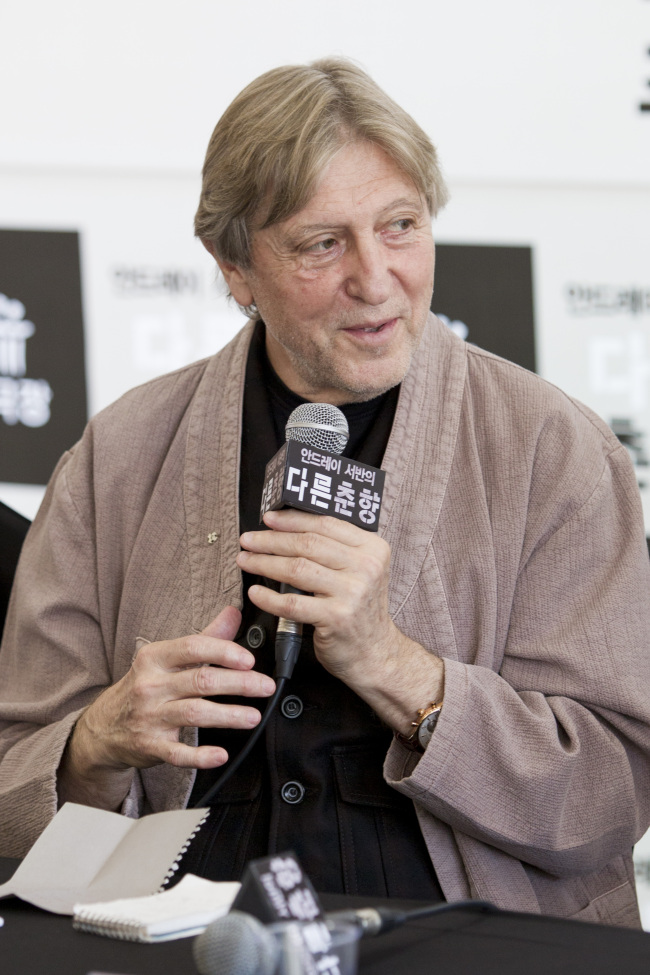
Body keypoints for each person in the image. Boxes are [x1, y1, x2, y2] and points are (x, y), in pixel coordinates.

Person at [1, 57, 650, 927]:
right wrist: (97, 741)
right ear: (235, 267)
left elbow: (613, 792)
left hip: (456, 932)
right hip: (179, 928)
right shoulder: (120, 453)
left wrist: (399, 669)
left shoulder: (552, 450)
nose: (376, 279)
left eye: (401, 226)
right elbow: (14, 777)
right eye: (322, 243)